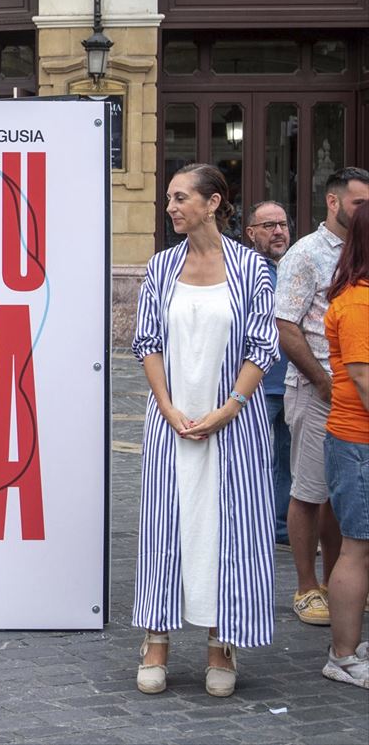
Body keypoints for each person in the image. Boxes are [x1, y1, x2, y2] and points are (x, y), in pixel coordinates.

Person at [131, 163, 277, 698]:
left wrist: (228, 408)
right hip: (171, 420)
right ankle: (156, 642)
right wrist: (167, 408)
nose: (171, 206)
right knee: (167, 526)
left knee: (228, 528)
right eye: (169, 198)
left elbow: (263, 346)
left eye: (181, 197)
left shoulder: (251, 269)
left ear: (214, 203)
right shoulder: (162, 266)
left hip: (232, 424)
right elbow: (146, 342)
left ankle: (221, 642)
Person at [276, 167, 369, 625]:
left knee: (342, 494)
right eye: (359, 202)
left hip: (355, 395)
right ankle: (307, 586)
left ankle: (339, 580)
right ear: (333, 203)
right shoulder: (306, 254)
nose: (366, 210)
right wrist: (322, 381)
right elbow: (285, 326)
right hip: (318, 389)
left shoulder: (361, 250)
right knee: (309, 491)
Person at [321, 200, 369, 689]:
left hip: (359, 442)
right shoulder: (357, 303)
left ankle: (351, 644)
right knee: (356, 548)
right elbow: (361, 377)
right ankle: (344, 656)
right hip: (358, 443)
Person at [245, 201, 293, 545]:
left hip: (295, 382)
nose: (278, 231)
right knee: (252, 461)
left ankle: (281, 527)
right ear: (251, 233)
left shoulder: (296, 266)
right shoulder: (245, 270)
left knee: (289, 462)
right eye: (268, 226)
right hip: (257, 384)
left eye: (282, 224)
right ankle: (249, 526)